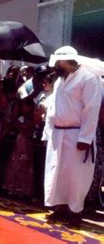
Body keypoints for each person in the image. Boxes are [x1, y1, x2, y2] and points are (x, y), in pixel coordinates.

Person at [43, 46, 102, 226]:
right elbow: (54, 105)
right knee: (56, 172)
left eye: (58, 63)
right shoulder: (61, 80)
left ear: (65, 61)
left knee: (76, 176)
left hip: (76, 134)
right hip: (57, 134)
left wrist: (85, 138)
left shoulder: (89, 78)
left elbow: (91, 110)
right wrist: (48, 130)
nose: (55, 66)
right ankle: (59, 208)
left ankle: (75, 212)